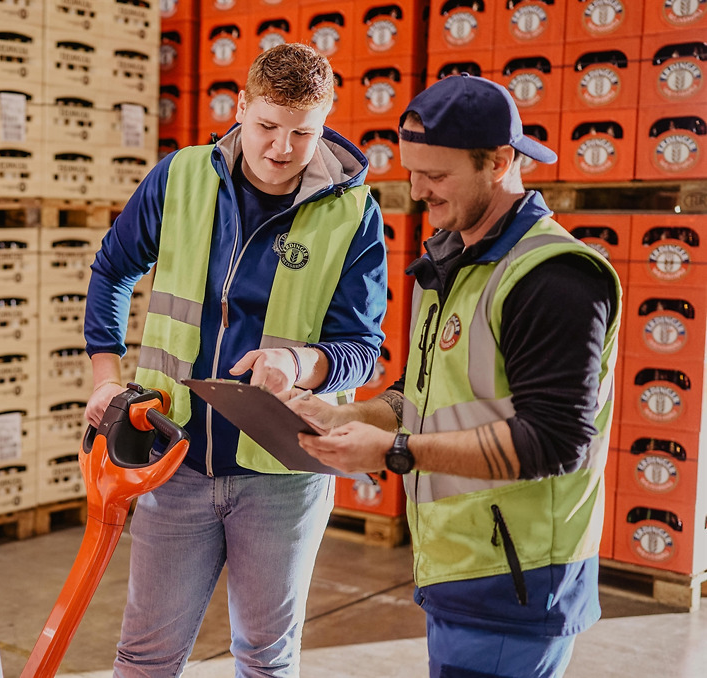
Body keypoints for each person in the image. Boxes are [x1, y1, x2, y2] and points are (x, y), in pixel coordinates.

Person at [287, 74, 622, 678]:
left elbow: (555, 441)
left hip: (516, 585)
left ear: (499, 161)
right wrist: (349, 415)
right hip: (461, 569)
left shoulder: (553, 278)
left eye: (436, 176)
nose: (417, 191)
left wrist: (394, 452)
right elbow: (418, 396)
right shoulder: (454, 262)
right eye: (413, 172)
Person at [84, 43, 388, 677]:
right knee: (145, 656)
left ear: (324, 123)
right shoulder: (181, 178)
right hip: (174, 460)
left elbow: (363, 350)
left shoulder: (353, 213)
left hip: (282, 477)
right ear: (241, 107)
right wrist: (105, 377)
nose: (281, 148)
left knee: (266, 659)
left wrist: (301, 364)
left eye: (302, 133)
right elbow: (113, 269)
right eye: (267, 127)